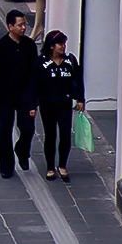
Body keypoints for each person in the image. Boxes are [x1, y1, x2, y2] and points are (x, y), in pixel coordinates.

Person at [0, 10, 38, 179]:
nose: (23, 28)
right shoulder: (0, 47)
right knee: (4, 130)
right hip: (5, 95)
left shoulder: (29, 46)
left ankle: (22, 150)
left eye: (24, 24)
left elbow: (33, 73)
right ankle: (6, 166)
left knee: (28, 128)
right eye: (20, 25)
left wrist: (33, 100)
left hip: (24, 95)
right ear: (10, 26)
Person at [34, 29, 85, 182]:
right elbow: (34, 84)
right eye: (59, 44)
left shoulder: (70, 61)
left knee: (65, 134)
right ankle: (50, 166)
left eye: (64, 44)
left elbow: (77, 80)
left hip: (64, 103)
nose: (62, 47)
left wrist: (80, 98)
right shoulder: (41, 62)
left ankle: (62, 165)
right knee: (50, 135)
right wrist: (32, 104)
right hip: (47, 104)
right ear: (51, 45)